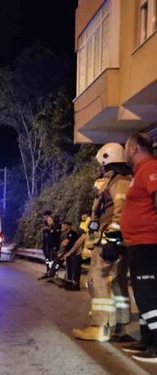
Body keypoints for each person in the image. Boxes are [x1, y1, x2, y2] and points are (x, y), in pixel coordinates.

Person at [73, 143, 132, 342]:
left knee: (98, 281)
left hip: (110, 242)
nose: (100, 168)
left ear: (106, 161)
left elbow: (121, 210)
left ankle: (100, 327)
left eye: (101, 164)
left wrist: (111, 240)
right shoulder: (117, 181)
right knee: (117, 284)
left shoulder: (119, 183)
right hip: (114, 241)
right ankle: (118, 327)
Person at [120, 132, 157, 363]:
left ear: (134, 148)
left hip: (148, 244)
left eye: (126, 147)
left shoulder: (150, 168)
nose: (124, 152)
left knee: (149, 295)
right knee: (144, 296)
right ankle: (147, 341)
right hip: (138, 244)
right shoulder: (140, 172)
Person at [57, 215, 91, 291]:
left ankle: (75, 284)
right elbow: (77, 244)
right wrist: (69, 253)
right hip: (86, 255)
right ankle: (71, 282)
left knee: (74, 259)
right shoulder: (85, 235)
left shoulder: (94, 233)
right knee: (72, 258)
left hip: (95, 256)